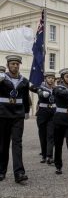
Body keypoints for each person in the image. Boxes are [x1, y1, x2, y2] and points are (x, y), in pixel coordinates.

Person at [0, 55, 30, 183]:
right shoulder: (1, 78)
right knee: (3, 144)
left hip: (18, 115)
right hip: (3, 114)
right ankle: (1, 171)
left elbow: (25, 98)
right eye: (12, 64)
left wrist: (27, 111)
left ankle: (19, 173)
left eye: (17, 64)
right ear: (8, 65)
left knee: (17, 143)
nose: (15, 66)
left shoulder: (24, 81)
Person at [30, 71, 56, 164]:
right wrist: (40, 91)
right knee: (42, 135)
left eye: (52, 78)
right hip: (42, 113)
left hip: (52, 113)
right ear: (45, 79)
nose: (51, 80)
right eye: (49, 78)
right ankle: (44, 155)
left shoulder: (55, 89)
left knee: (50, 134)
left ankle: (49, 156)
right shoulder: (41, 87)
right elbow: (34, 89)